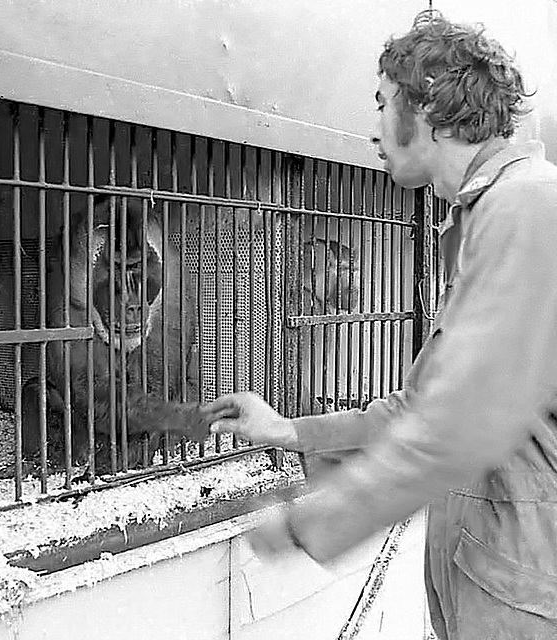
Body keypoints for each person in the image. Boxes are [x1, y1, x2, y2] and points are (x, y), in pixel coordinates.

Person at [205, 10, 557, 640]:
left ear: (426, 109)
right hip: (488, 584)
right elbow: (422, 410)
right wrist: (288, 429)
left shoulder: (525, 205)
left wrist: (311, 524)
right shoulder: (480, 217)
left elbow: (459, 428)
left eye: (381, 102)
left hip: (525, 595)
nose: (372, 125)